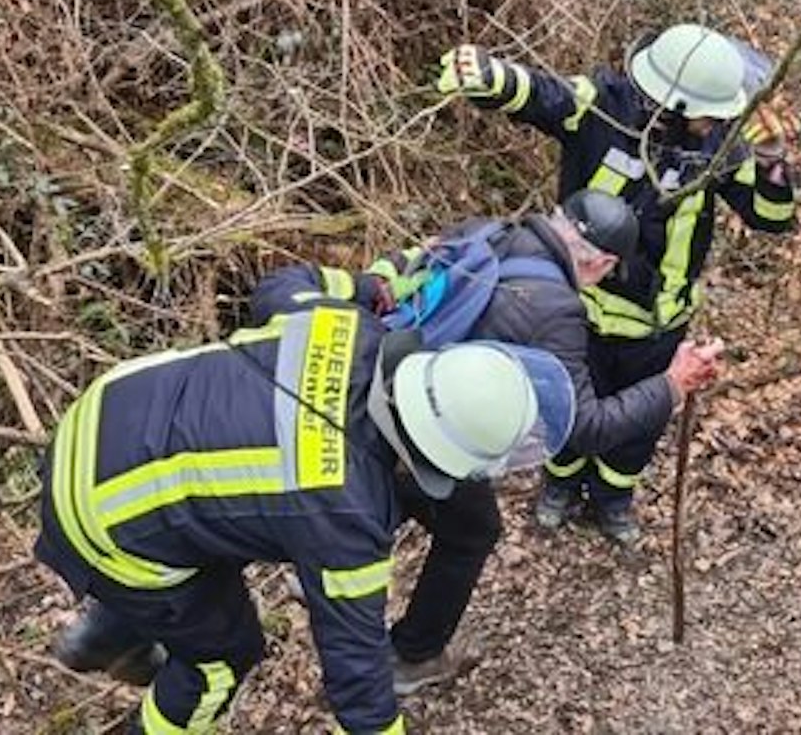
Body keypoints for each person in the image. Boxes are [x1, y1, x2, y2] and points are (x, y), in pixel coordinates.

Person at [36, 280, 574, 735]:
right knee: (221, 659)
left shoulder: (352, 327)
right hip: (101, 517)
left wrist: (362, 286)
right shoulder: (344, 518)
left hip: (107, 412)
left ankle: (110, 633)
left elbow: (277, 286)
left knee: (217, 524)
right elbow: (357, 673)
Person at [263, 189, 722, 695]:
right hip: (421, 429)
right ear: (604, 263)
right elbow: (585, 427)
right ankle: (413, 656)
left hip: (364, 386)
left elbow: (404, 266)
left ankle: (320, 572)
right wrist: (673, 384)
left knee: (370, 501)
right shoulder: (557, 312)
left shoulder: (486, 230)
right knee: (472, 529)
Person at [434, 23, 798, 545]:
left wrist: (771, 158)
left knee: (638, 425)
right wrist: (492, 78)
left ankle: (613, 499)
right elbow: (547, 94)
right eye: (706, 112)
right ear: (669, 103)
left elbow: (771, 217)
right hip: (579, 311)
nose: (715, 120)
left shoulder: (721, 143)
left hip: (658, 320)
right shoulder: (605, 106)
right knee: (564, 408)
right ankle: (559, 485)